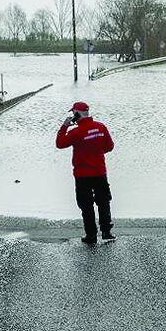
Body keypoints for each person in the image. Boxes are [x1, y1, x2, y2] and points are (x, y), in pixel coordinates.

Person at [55, 101, 116, 244]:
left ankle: (91, 235)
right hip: (99, 171)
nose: (72, 115)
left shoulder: (76, 132)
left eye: (73, 113)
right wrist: (96, 152)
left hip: (82, 174)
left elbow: (60, 144)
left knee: (86, 205)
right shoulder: (100, 127)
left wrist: (64, 126)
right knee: (103, 202)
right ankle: (106, 232)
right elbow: (109, 146)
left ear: (76, 113)